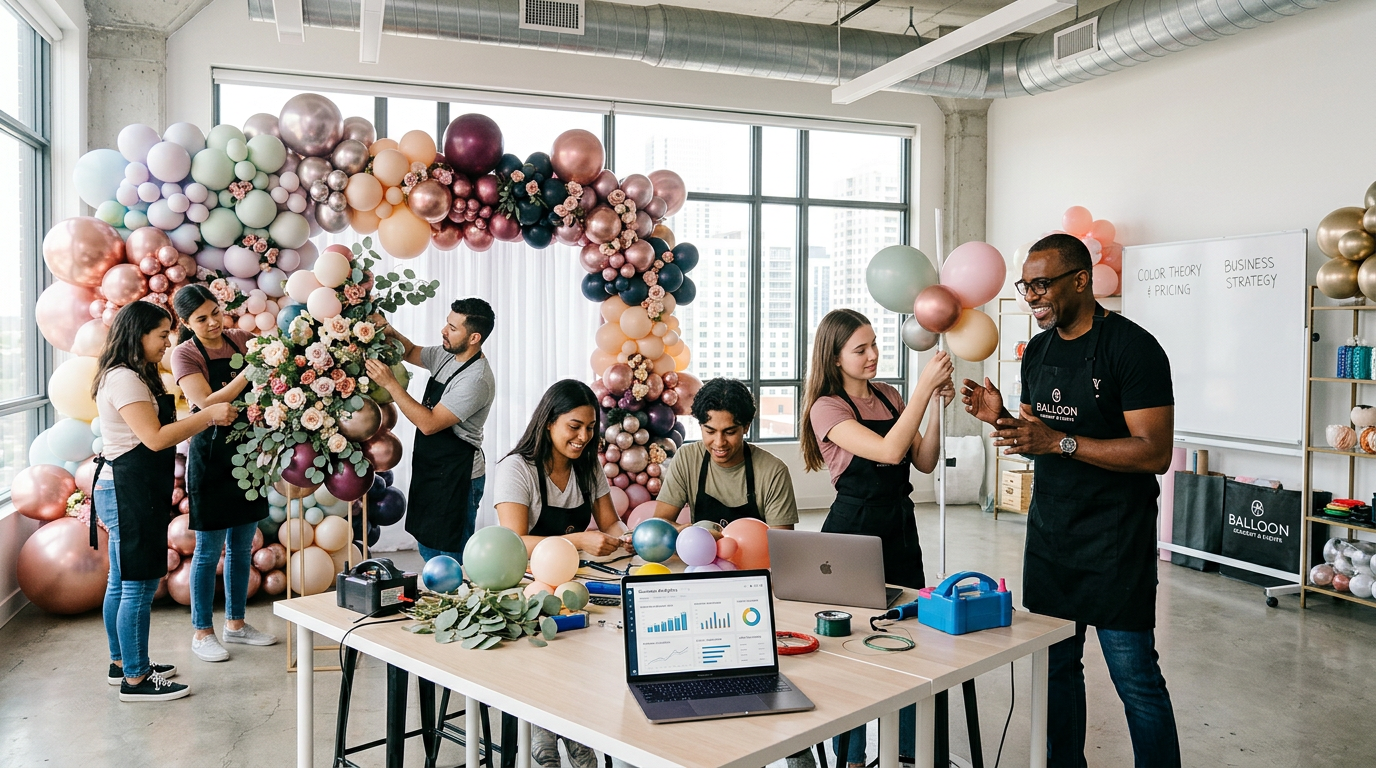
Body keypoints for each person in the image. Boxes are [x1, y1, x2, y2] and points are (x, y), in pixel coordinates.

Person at [961, 233, 1179, 768]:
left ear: (1080, 280)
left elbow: (1155, 453)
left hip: (1116, 538)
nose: (1032, 296)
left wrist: (1057, 441)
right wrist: (1005, 422)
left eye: (1042, 284)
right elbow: (1040, 440)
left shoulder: (1134, 348)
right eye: (1025, 286)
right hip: (1054, 534)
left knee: (1135, 675)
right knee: (1056, 668)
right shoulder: (1037, 350)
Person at [799, 308, 953, 768]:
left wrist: (937, 407)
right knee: (853, 648)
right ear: (835, 356)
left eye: (874, 345)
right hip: (852, 534)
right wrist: (924, 388)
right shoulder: (827, 407)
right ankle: (851, 758)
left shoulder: (889, 396)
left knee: (908, 639)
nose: (872, 356)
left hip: (900, 528)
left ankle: (907, 755)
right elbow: (888, 452)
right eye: (860, 349)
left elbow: (922, 460)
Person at [91, 301, 236, 702]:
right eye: (161, 335)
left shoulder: (131, 375)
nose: (167, 343)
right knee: (136, 586)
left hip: (127, 486)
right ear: (138, 335)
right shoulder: (124, 380)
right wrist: (208, 415)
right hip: (126, 490)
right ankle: (136, 679)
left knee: (121, 582)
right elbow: (155, 438)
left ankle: (123, 662)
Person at [489, 379, 631, 768]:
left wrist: (627, 539)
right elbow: (514, 541)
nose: (584, 437)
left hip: (572, 579)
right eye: (574, 426)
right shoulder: (516, 469)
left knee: (589, 635)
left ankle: (571, 724)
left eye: (590, 427)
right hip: (520, 582)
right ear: (548, 421)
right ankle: (546, 724)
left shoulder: (587, 467)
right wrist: (581, 542)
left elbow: (610, 523)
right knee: (550, 627)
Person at [171, 286, 277, 662]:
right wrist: (247, 375)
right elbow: (205, 403)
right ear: (186, 323)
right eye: (201, 318)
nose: (214, 322)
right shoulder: (184, 354)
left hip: (248, 456)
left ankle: (236, 625)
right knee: (207, 551)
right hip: (212, 458)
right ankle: (202, 632)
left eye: (215, 312)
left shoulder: (240, 339)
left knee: (241, 547)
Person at [365, 298, 496, 562]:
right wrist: (388, 330)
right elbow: (411, 350)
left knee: (450, 554)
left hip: (459, 477)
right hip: (433, 468)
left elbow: (429, 423)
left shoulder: (476, 379)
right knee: (427, 545)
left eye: (452, 327)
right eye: (447, 323)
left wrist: (391, 385)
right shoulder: (448, 355)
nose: (443, 331)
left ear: (474, 337)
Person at [651, 378, 798, 530]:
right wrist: (680, 531)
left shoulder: (773, 471)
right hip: (702, 553)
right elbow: (660, 525)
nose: (719, 442)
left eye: (730, 432)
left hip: (757, 554)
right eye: (710, 431)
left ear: (746, 427)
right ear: (701, 426)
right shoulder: (687, 458)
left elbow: (781, 546)